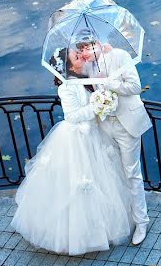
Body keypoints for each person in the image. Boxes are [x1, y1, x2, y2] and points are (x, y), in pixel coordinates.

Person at [11, 41, 133, 255]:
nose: (82, 57)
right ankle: (78, 236)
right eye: (77, 57)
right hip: (76, 139)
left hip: (95, 134)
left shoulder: (85, 75)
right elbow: (73, 116)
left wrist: (107, 53)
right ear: (69, 68)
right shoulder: (66, 88)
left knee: (102, 182)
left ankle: (100, 229)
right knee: (79, 187)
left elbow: (103, 74)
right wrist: (96, 105)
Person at [61, 38, 152, 246]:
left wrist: (109, 81)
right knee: (113, 172)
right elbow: (72, 85)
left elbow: (136, 87)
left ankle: (141, 222)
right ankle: (124, 217)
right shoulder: (86, 67)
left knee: (131, 173)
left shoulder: (119, 56)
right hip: (102, 126)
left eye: (88, 46)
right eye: (81, 49)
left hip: (126, 124)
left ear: (100, 43)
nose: (84, 52)